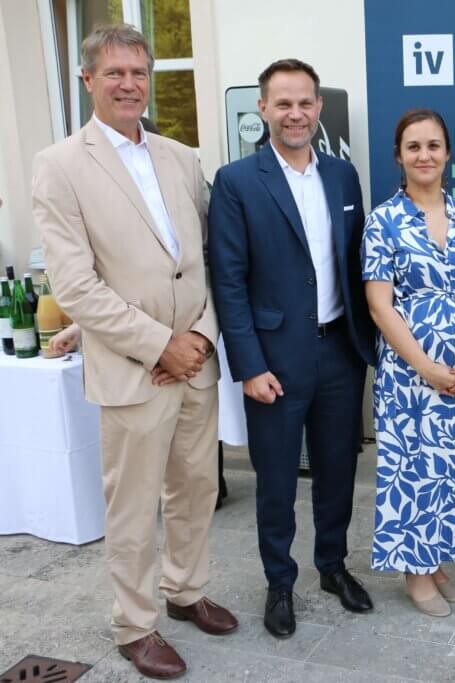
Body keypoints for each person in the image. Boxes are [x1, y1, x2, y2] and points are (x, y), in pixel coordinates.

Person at [32, 24, 237, 679]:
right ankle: (134, 623)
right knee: (133, 504)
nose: (128, 84)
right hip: (134, 369)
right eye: (114, 72)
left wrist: (200, 337)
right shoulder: (60, 165)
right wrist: (161, 343)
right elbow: (76, 286)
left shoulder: (181, 157)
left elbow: (210, 260)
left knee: (195, 489)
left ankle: (184, 589)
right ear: (88, 79)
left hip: (195, 364)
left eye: (138, 72)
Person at [208, 58, 375, 638]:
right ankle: (280, 582)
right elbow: (227, 281)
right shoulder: (236, 182)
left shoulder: (342, 176)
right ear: (263, 109)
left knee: (338, 472)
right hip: (274, 362)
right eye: (283, 103)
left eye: (304, 102)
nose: (295, 113)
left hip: (339, 354)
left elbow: (356, 264)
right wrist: (249, 366)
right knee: (276, 480)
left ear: (318, 107)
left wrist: (366, 344)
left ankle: (332, 566)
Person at [362, 109, 455, 617]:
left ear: (447, 154)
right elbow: (380, 304)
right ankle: (414, 574)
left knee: (454, 471)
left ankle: (437, 561)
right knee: (415, 470)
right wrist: (424, 366)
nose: (425, 155)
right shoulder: (383, 220)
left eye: (434, 145)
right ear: (398, 156)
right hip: (409, 374)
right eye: (414, 146)